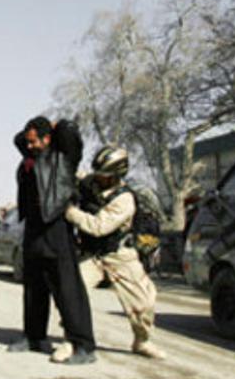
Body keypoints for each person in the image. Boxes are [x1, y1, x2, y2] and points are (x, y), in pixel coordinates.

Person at [7, 115, 96, 365]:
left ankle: (83, 345)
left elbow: (69, 134)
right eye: (30, 141)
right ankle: (34, 336)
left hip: (56, 226)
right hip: (34, 226)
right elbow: (18, 139)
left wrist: (60, 125)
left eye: (35, 141)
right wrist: (33, 132)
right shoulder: (30, 155)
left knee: (67, 287)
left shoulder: (64, 157)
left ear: (48, 138)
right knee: (34, 285)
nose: (30, 145)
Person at [66, 146, 166, 359]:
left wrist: (70, 213)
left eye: (104, 176)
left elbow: (98, 227)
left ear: (116, 176)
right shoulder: (89, 183)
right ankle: (71, 338)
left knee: (143, 304)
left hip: (120, 255)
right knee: (72, 294)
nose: (99, 179)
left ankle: (142, 341)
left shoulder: (124, 199)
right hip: (92, 255)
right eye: (98, 174)